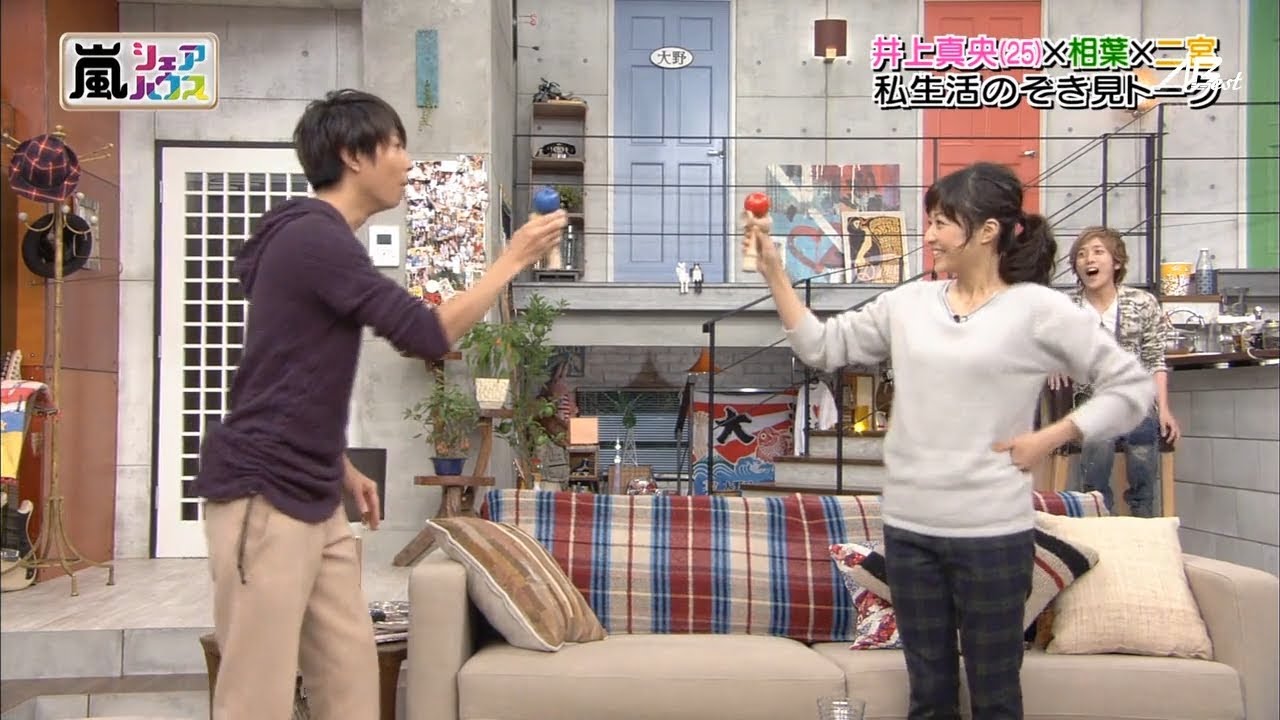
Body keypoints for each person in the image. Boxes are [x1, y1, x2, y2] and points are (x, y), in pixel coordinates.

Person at [192, 89, 566, 720]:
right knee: (255, 699)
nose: (407, 161)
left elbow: (288, 371)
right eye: (395, 145)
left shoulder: (318, 242)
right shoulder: (313, 237)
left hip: (314, 493)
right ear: (352, 154)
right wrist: (512, 259)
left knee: (352, 685)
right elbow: (427, 334)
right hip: (263, 492)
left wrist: (338, 464)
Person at [746, 162, 1153, 719]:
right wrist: (775, 273)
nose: (930, 235)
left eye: (941, 222)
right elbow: (821, 345)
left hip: (994, 534)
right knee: (929, 700)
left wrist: (1054, 435)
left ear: (987, 231)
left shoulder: (1038, 310)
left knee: (995, 698)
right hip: (911, 533)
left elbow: (1131, 387)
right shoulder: (908, 304)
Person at [1050, 226, 1180, 516]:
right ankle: (1098, 512)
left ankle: (1143, 515)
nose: (1089, 260)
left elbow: (1155, 360)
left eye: (1098, 252)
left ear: (1116, 262)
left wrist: (1164, 409)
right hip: (1089, 397)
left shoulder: (1142, 303)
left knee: (1142, 429)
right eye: (1081, 255)